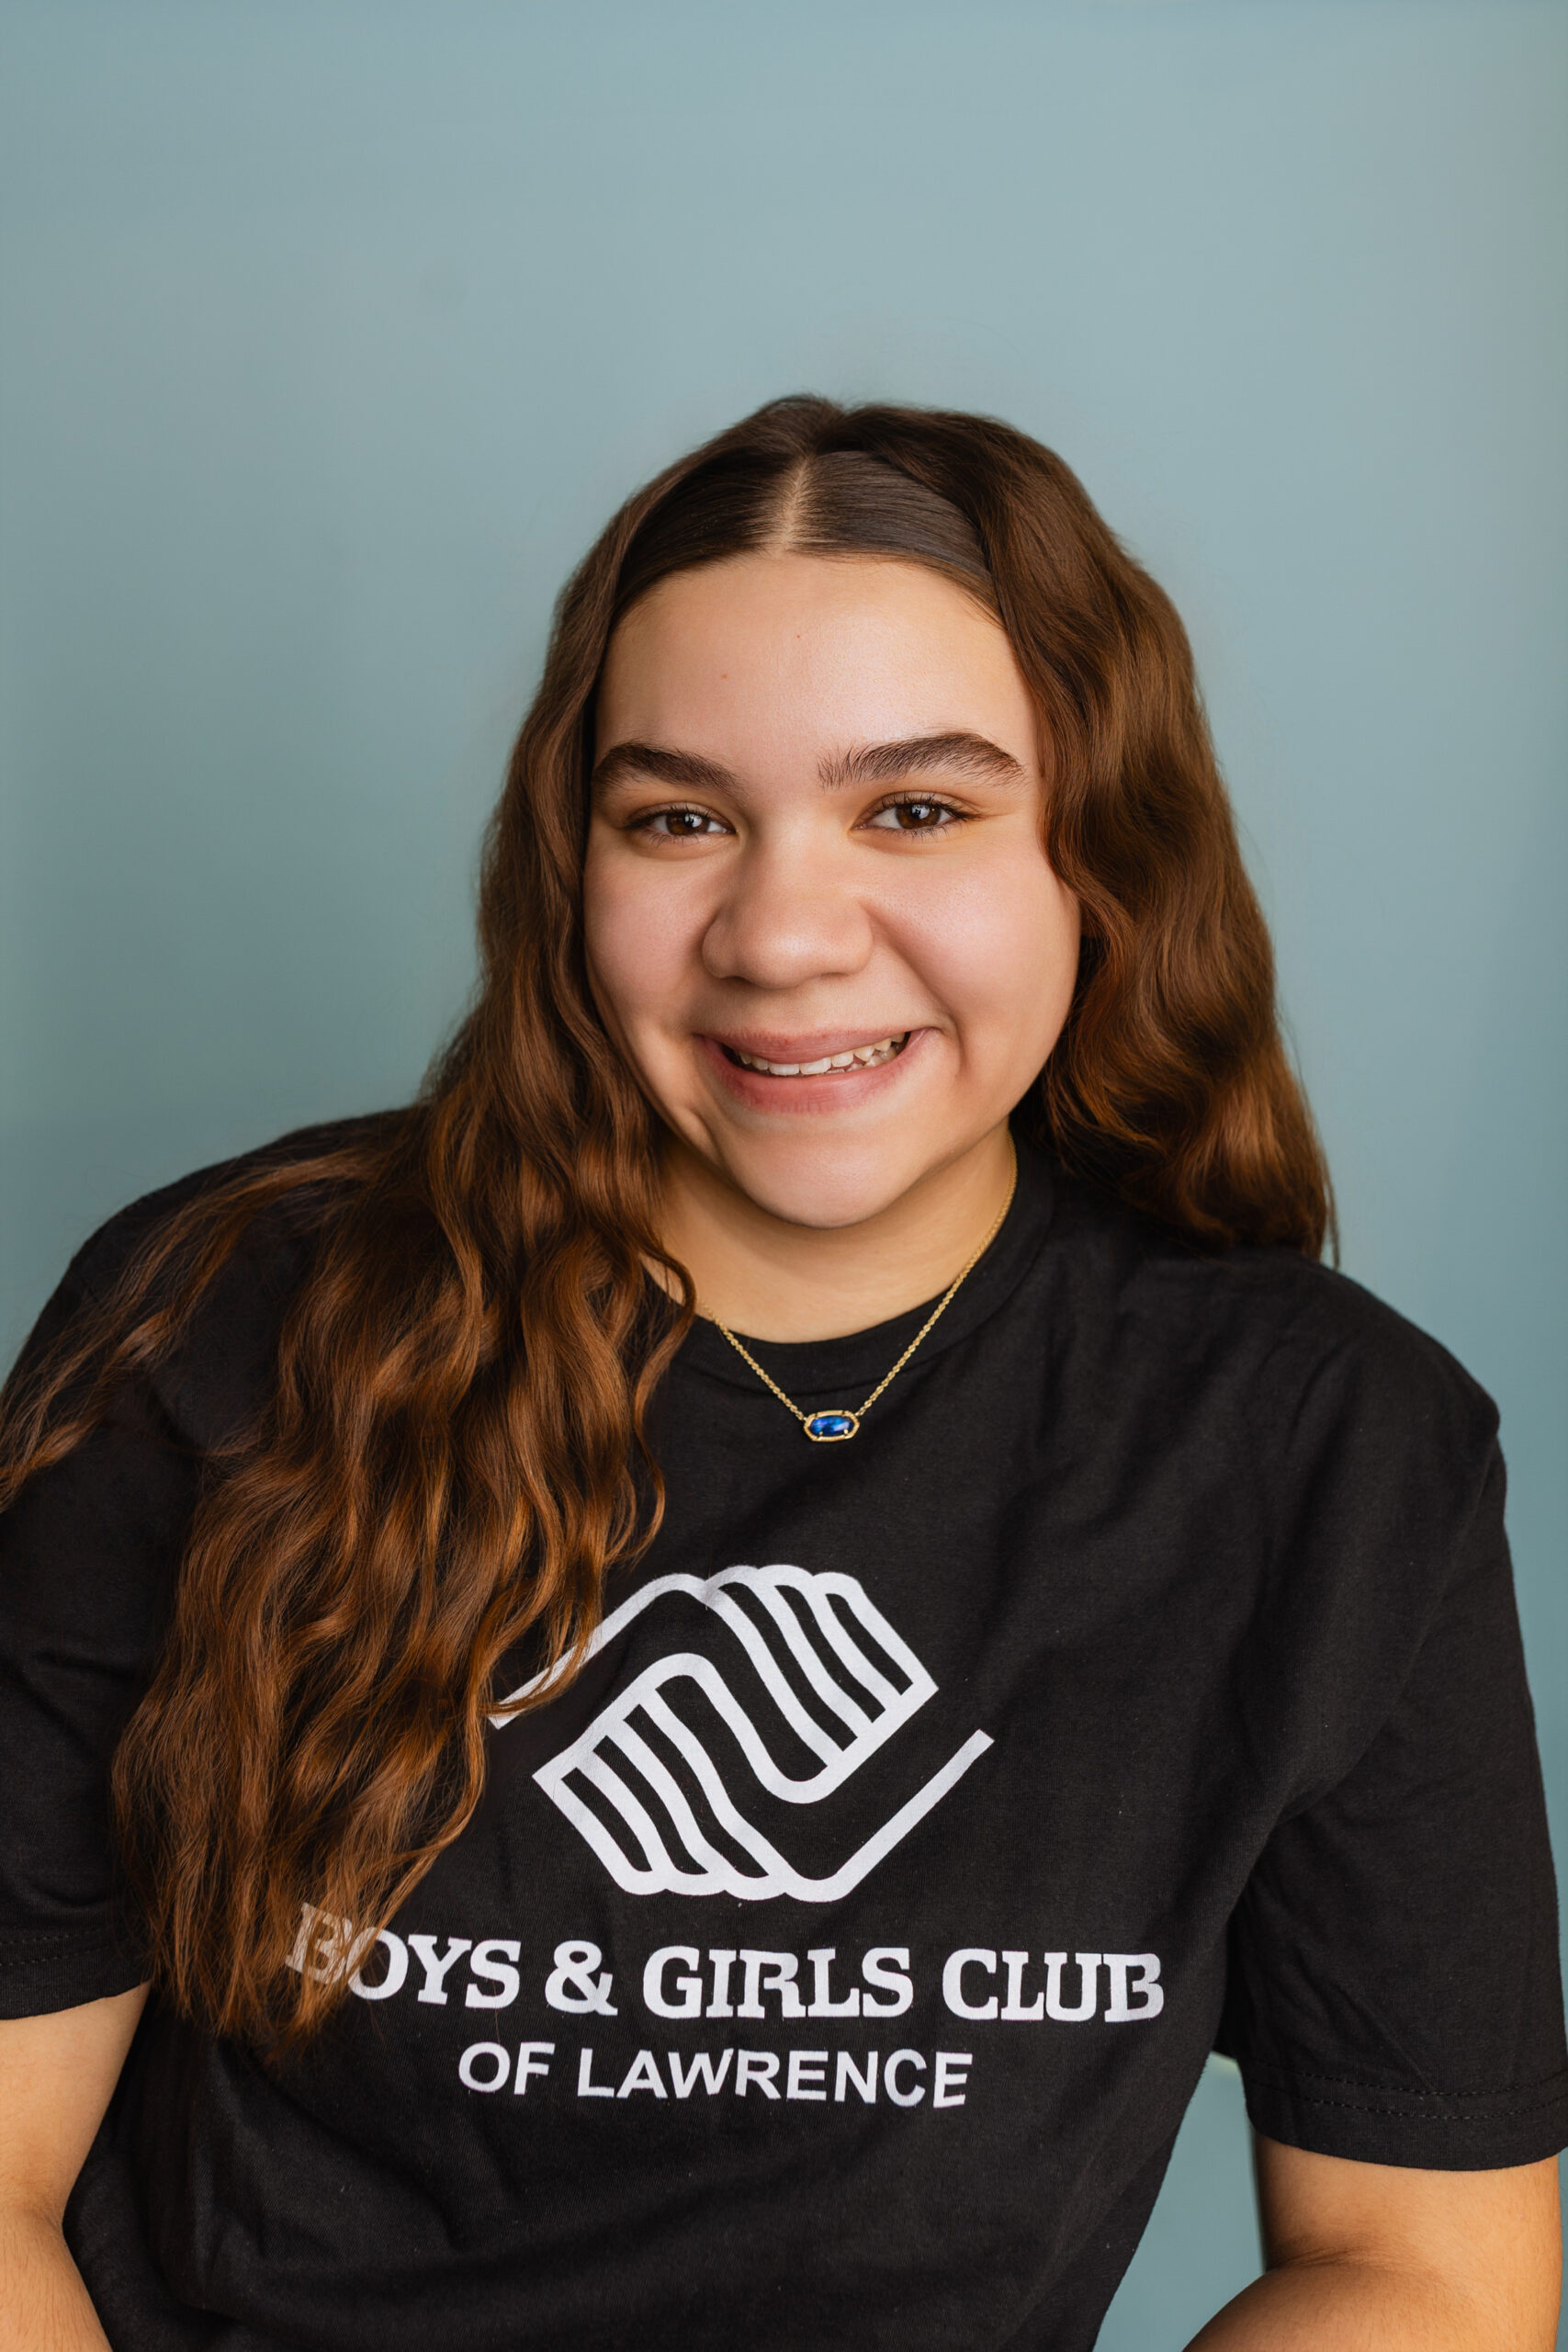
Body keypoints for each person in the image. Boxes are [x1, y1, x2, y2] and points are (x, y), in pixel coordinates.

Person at [0, 395, 1562, 2352]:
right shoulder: (221, 1318)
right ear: (569, 862)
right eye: (679, 818)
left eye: (915, 809)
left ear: (1099, 856)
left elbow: (1425, 2272)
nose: (783, 935)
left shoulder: (1325, 1450)